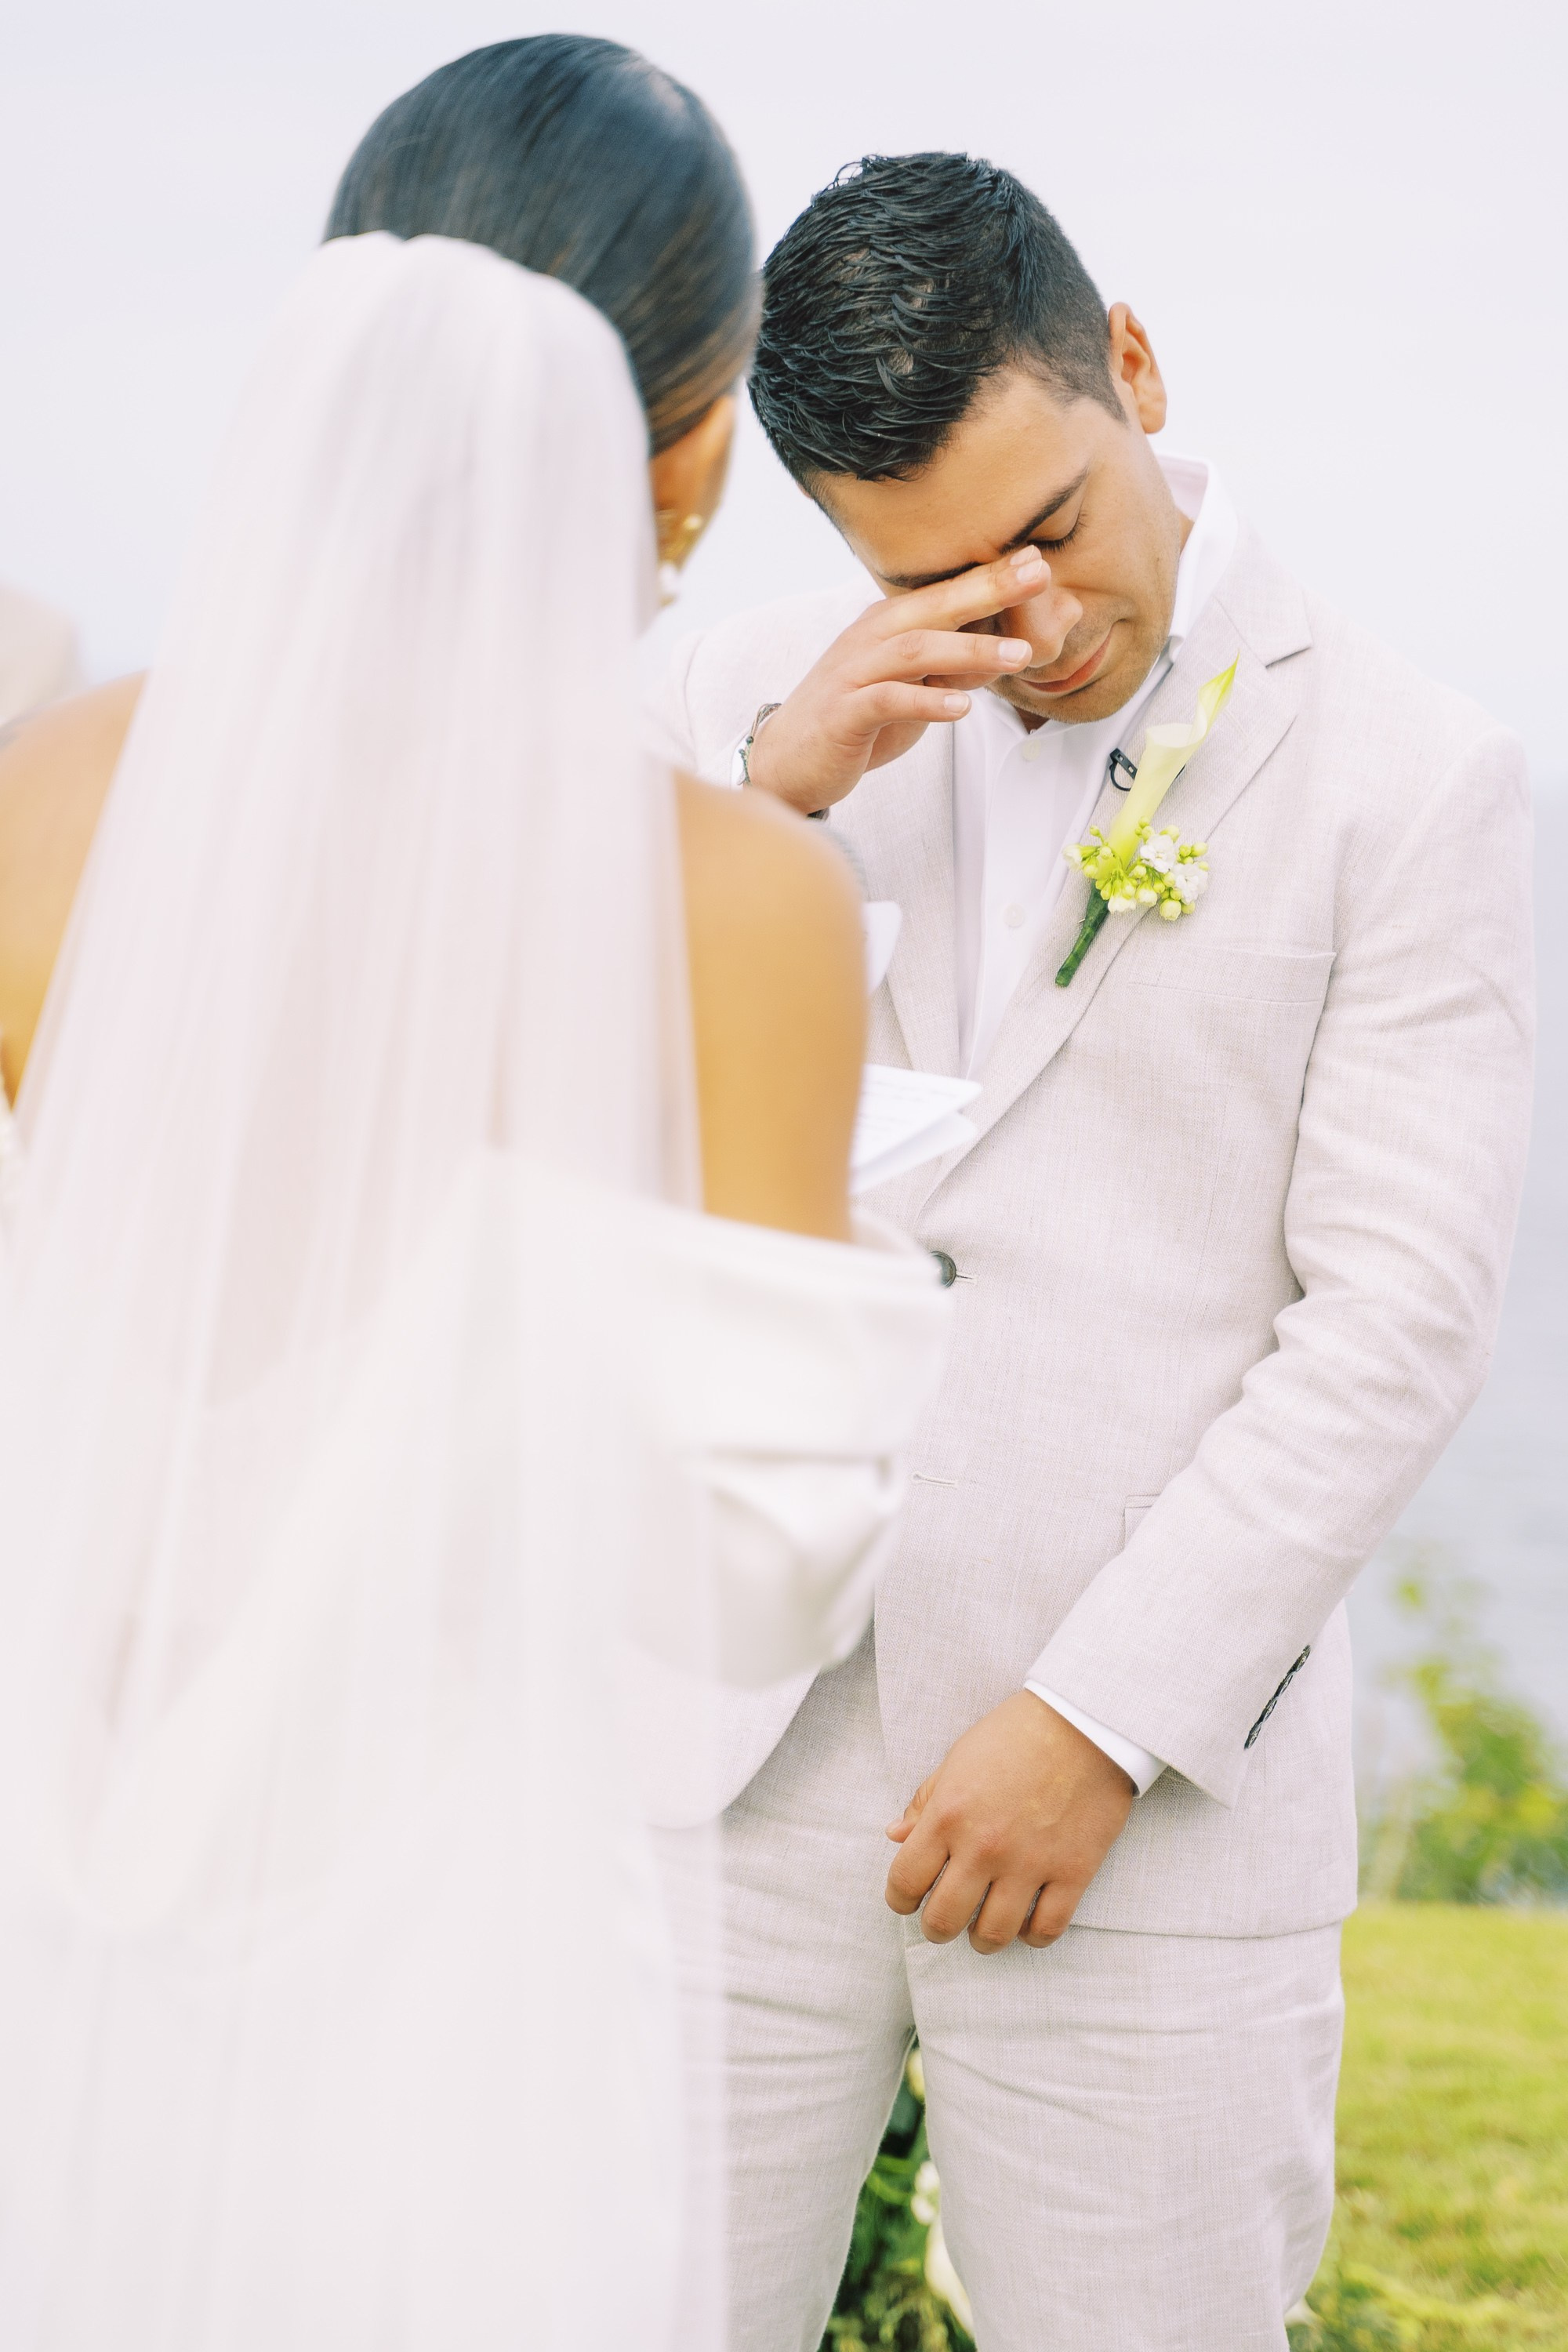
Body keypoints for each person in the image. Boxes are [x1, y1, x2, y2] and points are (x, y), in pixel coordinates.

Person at [0, 49, 952, 2350]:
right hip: (453, 1981)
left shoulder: (43, 790)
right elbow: (757, 1583)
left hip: (68, 1915)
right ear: (697, 449)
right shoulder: (745, 908)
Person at [652, 151, 1536, 2351]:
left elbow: (1398, 1318)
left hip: (1139, 1810)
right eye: (935, 572)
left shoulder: (1415, 777)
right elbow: (572, 1145)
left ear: (1131, 365)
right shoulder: (730, 712)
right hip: (728, 1766)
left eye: (1051, 529)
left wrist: (1099, 1717)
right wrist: (773, 813)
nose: (1023, 616)